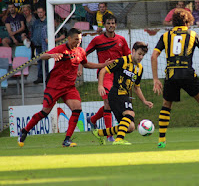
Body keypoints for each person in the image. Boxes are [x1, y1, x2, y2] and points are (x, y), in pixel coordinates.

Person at [17, 28, 111, 147]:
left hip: (69, 87)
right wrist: (52, 55)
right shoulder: (61, 48)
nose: (78, 42)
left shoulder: (80, 51)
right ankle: (24, 131)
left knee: (77, 109)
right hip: (55, 86)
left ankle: (67, 139)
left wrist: (102, 65)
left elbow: (86, 64)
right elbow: (42, 56)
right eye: (76, 39)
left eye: (80, 40)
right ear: (69, 38)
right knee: (45, 112)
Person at [151, 8, 199, 148]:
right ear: (188, 21)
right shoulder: (193, 35)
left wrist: (155, 79)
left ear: (173, 22)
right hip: (187, 73)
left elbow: (154, 56)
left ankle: (161, 140)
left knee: (166, 105)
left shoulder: (165, 36)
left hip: (171, 74)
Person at [92, 42, 153, 145]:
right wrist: (100, 85)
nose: (141, 57)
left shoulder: (139, 69)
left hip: (124, 96)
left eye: (143, 55)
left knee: (130, 127)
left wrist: (144, 101)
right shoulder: (122, 61)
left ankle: (99, 133)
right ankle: (119, 139)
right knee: (130, 114)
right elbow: (103, 70)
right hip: (116, 93)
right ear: (133, 51)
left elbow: (136, 87)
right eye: (139, 54)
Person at [82, 14, 131, 143]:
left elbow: (129, 58)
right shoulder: (97, 40)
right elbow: (83, 55)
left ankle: (93, 120)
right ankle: (109, 136)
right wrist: (80, 68)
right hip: (105, 75)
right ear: (104, 25)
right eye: (108, 23)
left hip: (118, 77)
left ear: (116, 25)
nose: (111, 26)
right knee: (108, 103)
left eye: (113, 23)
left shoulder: (121, 40)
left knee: (111, 104)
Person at [31, 6, 47, 84]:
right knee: (39, 62)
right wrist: (32, 39)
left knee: (47, 62)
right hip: (37, 45)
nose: (40, 14)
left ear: (44, 12)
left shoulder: (48, 21)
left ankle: (48, 77)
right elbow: (32, 31)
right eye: (38, 13)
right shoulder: (36, 22)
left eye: (41, 12)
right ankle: (40, 77)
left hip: (46, 46)